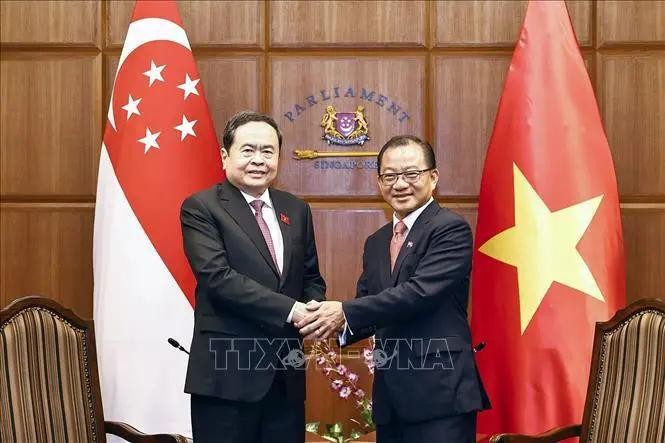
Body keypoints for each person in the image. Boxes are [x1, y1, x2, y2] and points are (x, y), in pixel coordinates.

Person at [296, 135, 490, 443]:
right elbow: (369, 304)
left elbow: (418, 293)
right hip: (391, 399)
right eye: (390, 176)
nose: (400, 184)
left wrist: (343, 311)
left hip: (440, 394)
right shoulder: (377, 241)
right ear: (379, 181)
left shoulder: (450, 229)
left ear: (433, 177)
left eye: (412, 174)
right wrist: (324, 322)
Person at [181, 111, 326, 443]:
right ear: (225, 155)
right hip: (226, 378)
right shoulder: (202, 208)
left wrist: (314, 307)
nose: (258, 160)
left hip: (285, 379)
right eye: (248, 150)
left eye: (268, 151)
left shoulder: (296, 209)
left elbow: (310, 275)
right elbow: (218, 278)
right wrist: (292, 310)